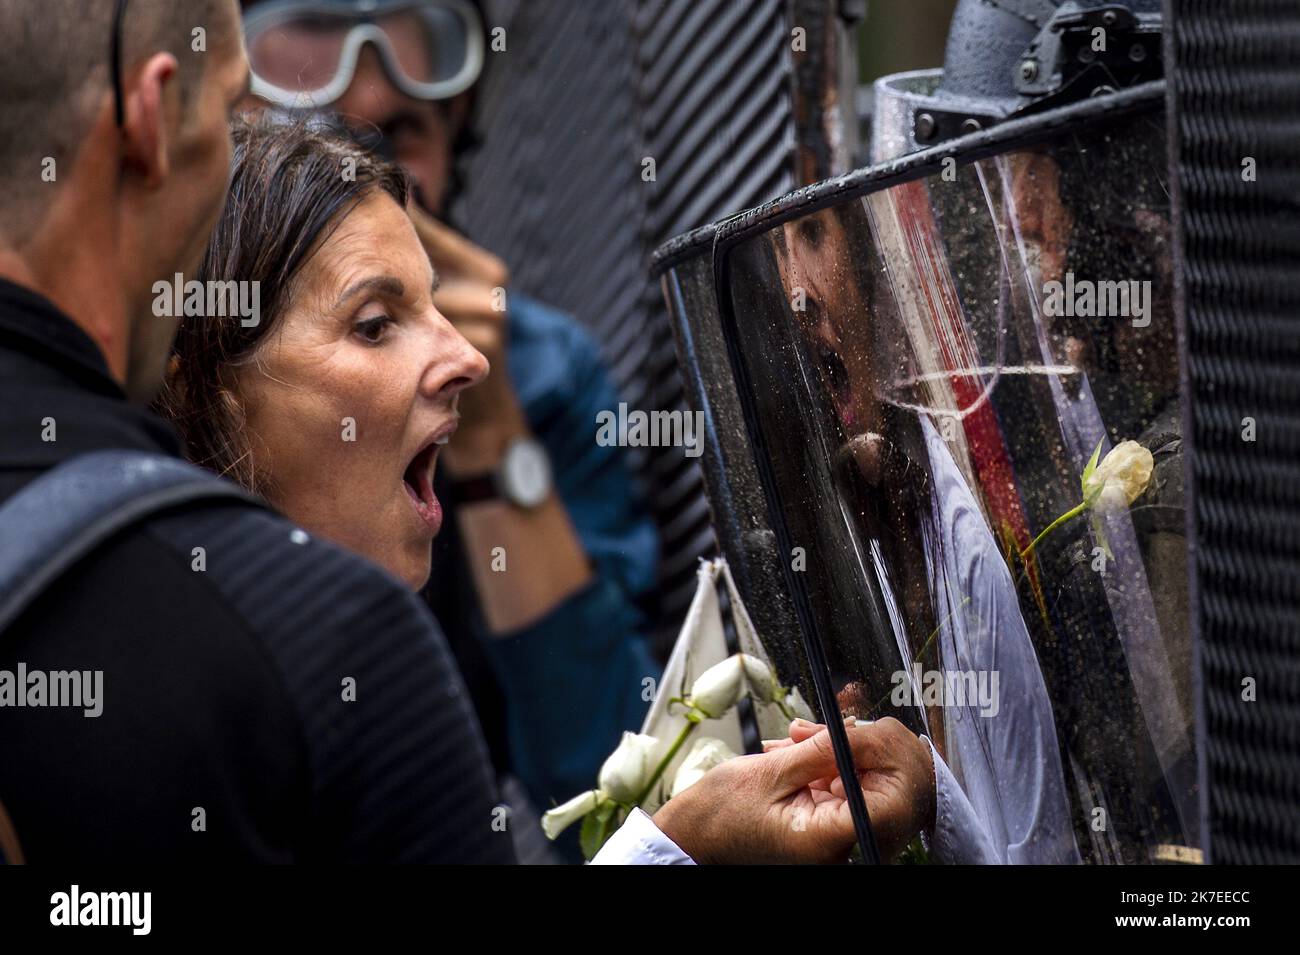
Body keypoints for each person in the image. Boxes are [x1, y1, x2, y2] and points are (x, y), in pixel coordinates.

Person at [0, 0, 931, 861]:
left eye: (406, 126)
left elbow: (596, 756)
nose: (466, 358)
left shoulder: (547, 372)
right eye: (374, 323)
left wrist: (501, 458)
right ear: (200, 378)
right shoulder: (332, 644)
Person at [238, 0, 662, 839]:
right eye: (312, 134)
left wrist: (495, 434)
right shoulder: (157, 363)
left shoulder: (537, 369)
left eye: (397, 136)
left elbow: (612, 794)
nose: (357, 169)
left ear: (456, 139)